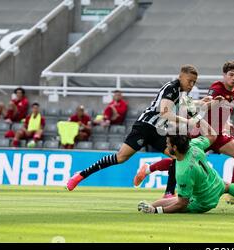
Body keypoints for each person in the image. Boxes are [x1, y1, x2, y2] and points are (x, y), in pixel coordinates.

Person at [66, 65, 202, 191]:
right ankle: (81, 175)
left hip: (159, 131)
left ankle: (166, 191)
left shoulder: (182, 94)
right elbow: (165, 112)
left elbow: (189, 107)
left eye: (194, 82)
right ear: (181, 77)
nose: (191, 85)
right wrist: (188, 121)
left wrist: (207, 102)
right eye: (189, 81)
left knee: (178, 157)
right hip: (145, 126)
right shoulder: (171, 87)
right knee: (120, 158)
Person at [134, 61, 234, 207]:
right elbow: (207, 106)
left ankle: (233, 194)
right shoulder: (216, 88)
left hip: (218, 134)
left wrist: (227, 125)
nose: (233, 78)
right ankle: (148, 169)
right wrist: (211, 104)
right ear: (224, 75)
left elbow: (223, 112)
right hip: (203, 132)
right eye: (231, 75)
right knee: (181, 160)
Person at [137, 134, 234, 214]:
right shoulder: (194, 145)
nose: (166, 146)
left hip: (204, 202)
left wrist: (157, 211)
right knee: (228, 186)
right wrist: (199, 115)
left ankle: (152, 209)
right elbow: (212, 135)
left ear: (175, 148)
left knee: (175, 201)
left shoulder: (183, 172)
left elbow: (181, 204)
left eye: (168, 144)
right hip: (217, 184)